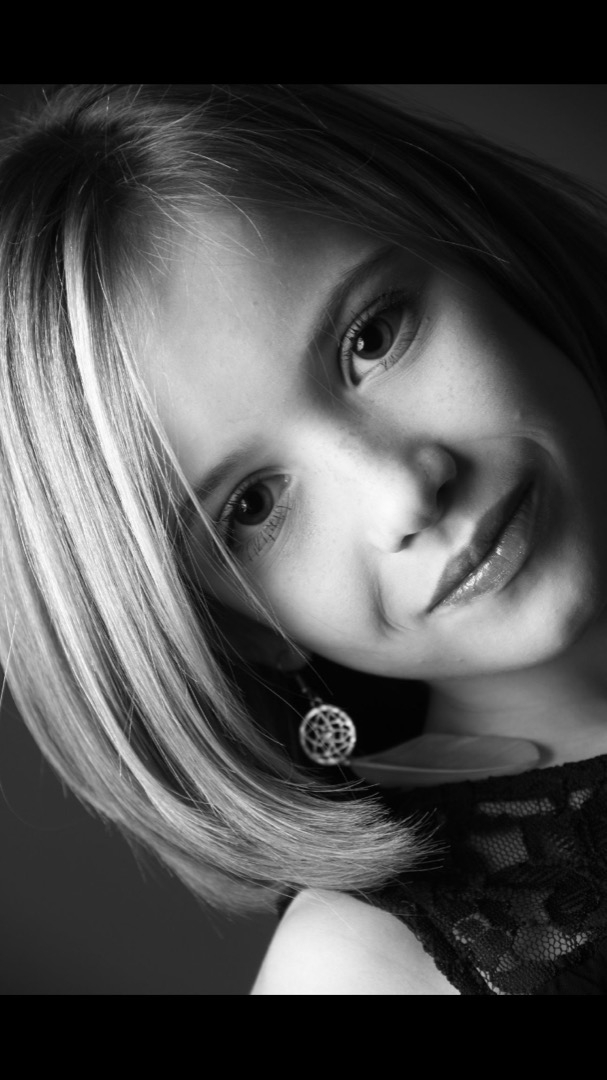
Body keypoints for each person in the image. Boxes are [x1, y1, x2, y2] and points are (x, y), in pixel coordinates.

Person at [1, 84, 607, 996]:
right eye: (252, 506)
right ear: (240, 626)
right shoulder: (366, 972)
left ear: (480, 254)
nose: (402, 492)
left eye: (372, 337)